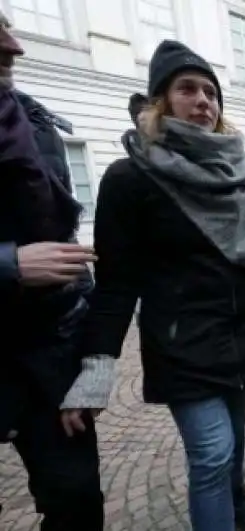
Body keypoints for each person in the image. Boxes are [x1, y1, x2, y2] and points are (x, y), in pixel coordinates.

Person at [79, 40, 245, 531]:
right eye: (188, 89)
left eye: (211, 92)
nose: (204, 100)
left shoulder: (241, 174)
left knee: (235, 440)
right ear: (161, 101)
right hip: (184, 343)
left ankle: (236, 505)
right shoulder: (129, 178)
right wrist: (98, 365)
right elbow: (116, 282)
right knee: (212, 453)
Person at [0, 12, 104, 529]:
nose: (13, 47)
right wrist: (7, 263)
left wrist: (91, 369)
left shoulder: (36, 127)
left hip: (50, 360)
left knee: (78, 504)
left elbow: (68, 255)